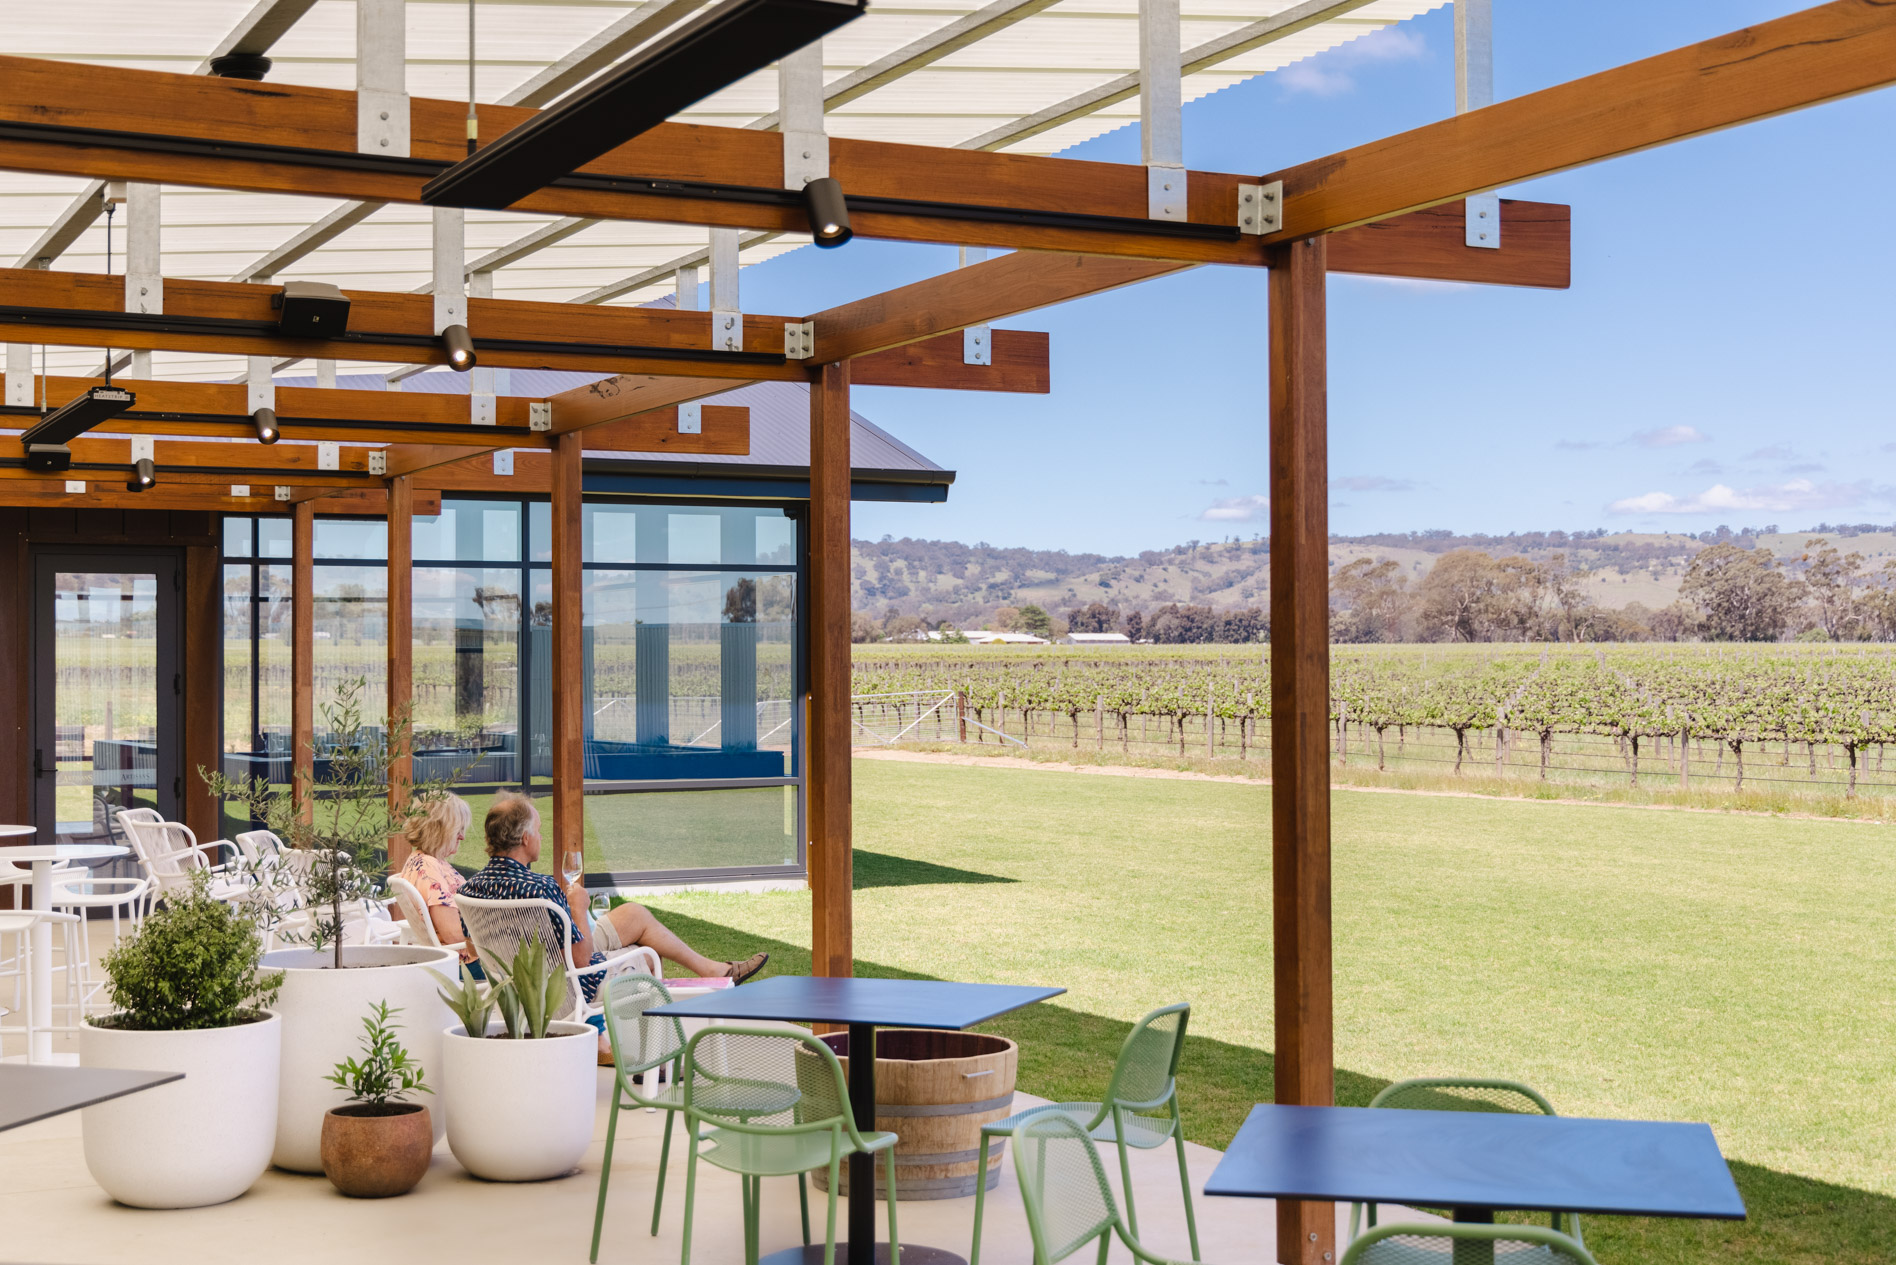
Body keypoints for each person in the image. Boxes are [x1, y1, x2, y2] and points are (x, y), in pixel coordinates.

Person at [458, 794, 769, 1057]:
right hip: (564, 987)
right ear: (525, 839)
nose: (541, 837)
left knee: (633, 915)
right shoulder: (541, 888)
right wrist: (578, 908)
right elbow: (581, 959)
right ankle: (654, 1062)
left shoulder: (468, 891)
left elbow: (474, 947)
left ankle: (712, 970)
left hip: (517, 986)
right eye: (539, 831)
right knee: (644, 955)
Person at [397, 792, 477, 964]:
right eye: (458, 829)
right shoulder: (428, 868)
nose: (462, 836)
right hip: (466, 961)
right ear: (439, 830)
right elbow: (453, 935)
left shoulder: (421, 861)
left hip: (457, 956)